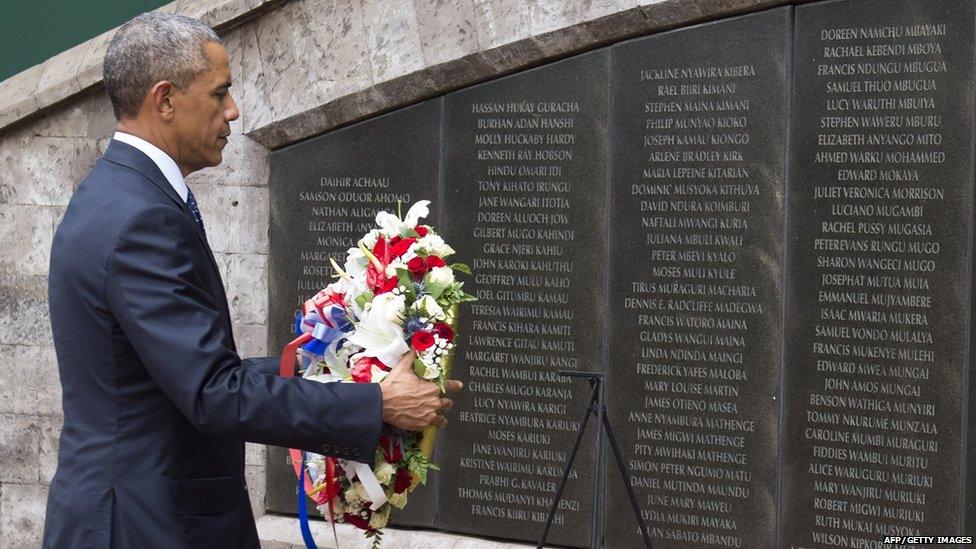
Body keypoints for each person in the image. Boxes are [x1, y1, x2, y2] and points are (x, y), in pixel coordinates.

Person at [42, 12, 460, 548]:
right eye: (220, 94)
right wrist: (376, 403)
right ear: (164, 100)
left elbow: (177, 375)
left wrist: (350, 369)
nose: (233, 112)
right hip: (146, 525)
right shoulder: (141, 217)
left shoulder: (115, 195)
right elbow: (213, 393)